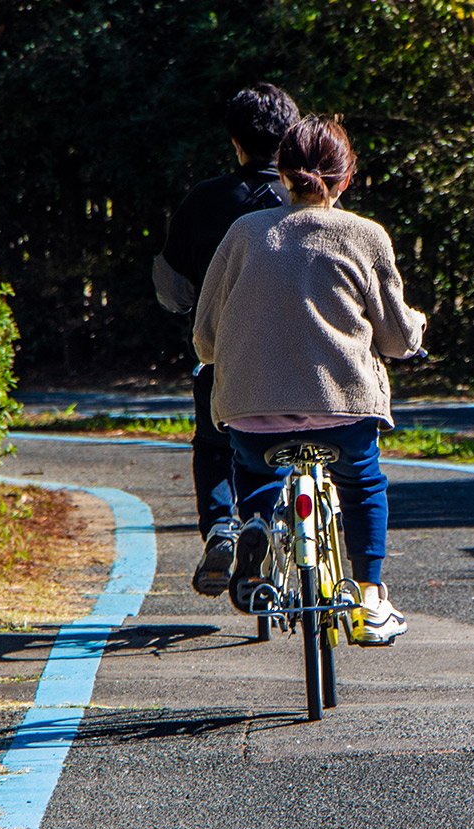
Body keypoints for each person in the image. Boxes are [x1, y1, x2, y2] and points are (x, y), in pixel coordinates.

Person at [192, 115, 427, 645]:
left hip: (253, 411)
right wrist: (416, 333)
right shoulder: (365, 236)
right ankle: (369, 596)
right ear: (345, 179)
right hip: (343, 409)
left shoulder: (245, 234)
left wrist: (219, 354)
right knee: (363, 484)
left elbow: (205, 335)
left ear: (281, 174)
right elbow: (393, 336)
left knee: (254, 473)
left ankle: (254, 531)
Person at [152, 83, 301, 597]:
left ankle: (221, 524)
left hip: (227, 362)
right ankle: (270, 520)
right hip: (316, 366)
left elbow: (171, 290)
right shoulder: (315, 202)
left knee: (216, 443)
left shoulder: (204, 200)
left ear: (236, 143)